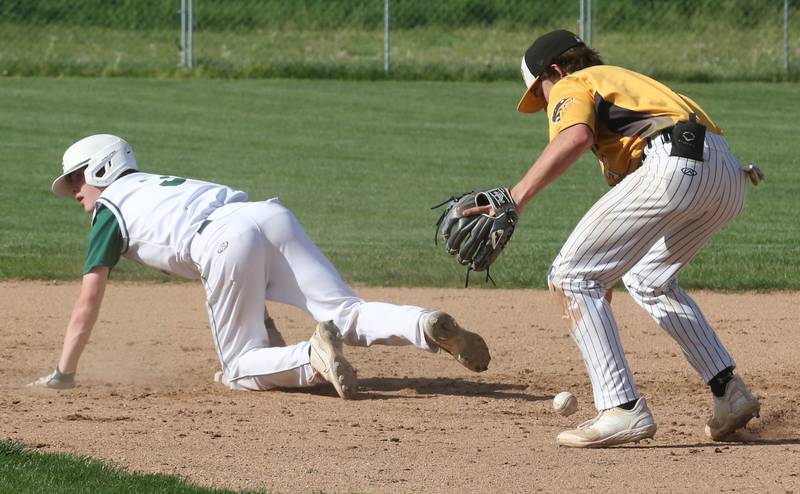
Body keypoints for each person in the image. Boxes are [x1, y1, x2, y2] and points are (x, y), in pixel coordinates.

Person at [30, 134, 491, 398]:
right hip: (265, 215)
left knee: (236, 369)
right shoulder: (158, 187)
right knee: (346, 310)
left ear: (102, 170)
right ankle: (425, 323)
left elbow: (87, 303)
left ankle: (310, 358)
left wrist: (64, 374)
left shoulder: (110, 209)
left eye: (76, 179)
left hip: (223, 240)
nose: (74, 193)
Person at [492, 30, 761, 447]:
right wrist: (604, 278)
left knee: (569, 276)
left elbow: (574, 137)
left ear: (556, 70)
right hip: (727, 177)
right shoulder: (626, 87)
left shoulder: (573, 82)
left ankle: (622, 408)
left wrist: (516, 196)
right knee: (646, 279)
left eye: (541, 93)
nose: (547, 103)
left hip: (672, 165)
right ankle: (730, 391)